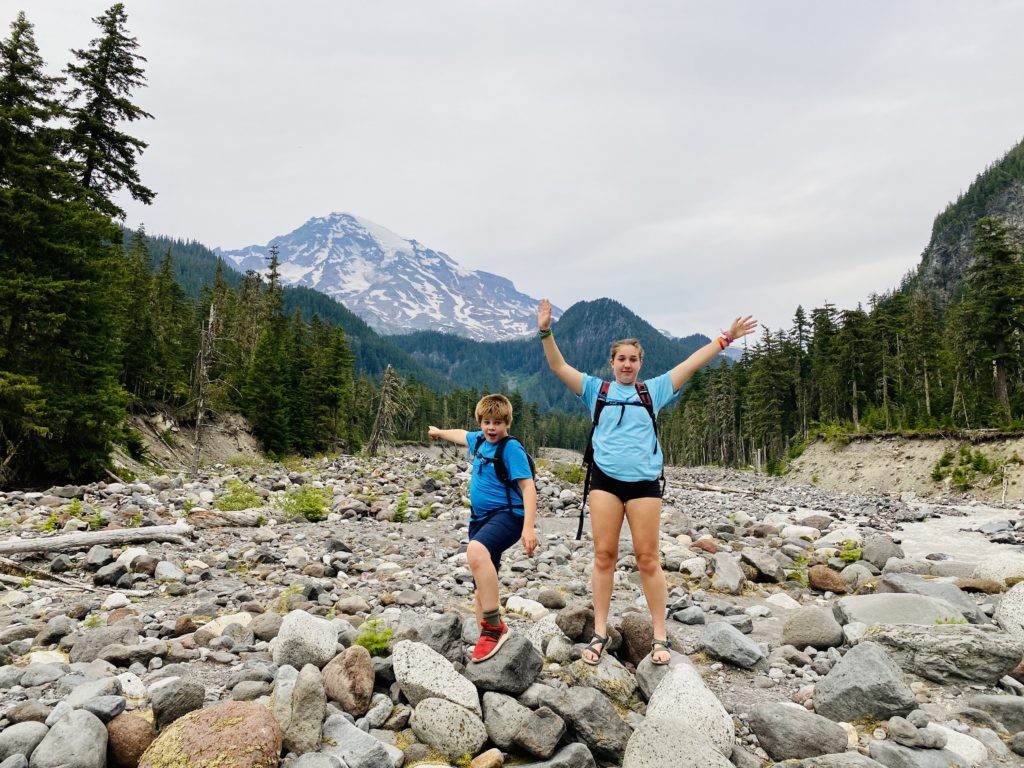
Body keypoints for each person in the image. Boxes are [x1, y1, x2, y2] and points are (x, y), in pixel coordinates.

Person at [537, 298, 756, 665]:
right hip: (604, 482)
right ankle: (600, 632)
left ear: (640, 363)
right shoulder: (596, 390)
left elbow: (691, 363)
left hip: (643, 486)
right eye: (620, 359)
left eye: (633, 359)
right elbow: (558, 365)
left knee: (648, 560)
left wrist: (725, 339)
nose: (626, 364)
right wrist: (545, 330)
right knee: (604, 556)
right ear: (612, 363)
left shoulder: (653, 390)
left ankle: (659, 636)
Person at [428, 394, 539, 662]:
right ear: (481, 422)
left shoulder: (511, 449)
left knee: (476, 553)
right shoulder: (478, 440)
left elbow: (528, 488)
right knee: (481, 589)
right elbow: (461, 434)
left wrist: (528, 528)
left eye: (498, 423)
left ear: (507, 424)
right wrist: (439, 432)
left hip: (508, 516)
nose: (491, 428)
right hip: (480, 519)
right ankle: (487, 645)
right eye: (487, 422)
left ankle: (494, 628)